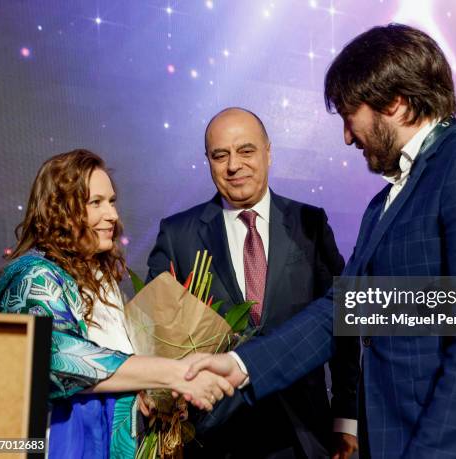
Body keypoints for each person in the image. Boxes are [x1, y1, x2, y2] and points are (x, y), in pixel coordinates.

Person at [184, 24, 456, 459]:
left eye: (350, 115)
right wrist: (238, 367)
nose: (348, 136)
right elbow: (342, 313)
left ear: (395, 103)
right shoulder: (382, 203)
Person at [0, 149, 233, 458]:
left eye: (112, 201)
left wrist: (151, 395)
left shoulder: (102, 278)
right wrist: (173, 373)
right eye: (95, 203)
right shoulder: (34, 277)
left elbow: (118, 367)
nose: (112, 215)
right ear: (58, 210)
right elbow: (59, 359)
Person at [147, 108, 360, 458]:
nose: (234, 165)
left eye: (246, 151)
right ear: (208, 161)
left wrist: (345, 415)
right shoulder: (178, 235)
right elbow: (155, 334)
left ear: (268, 152)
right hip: (214, 438)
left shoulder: (310, 224)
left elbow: (343, 319)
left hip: (302, 432)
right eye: (221, 155)